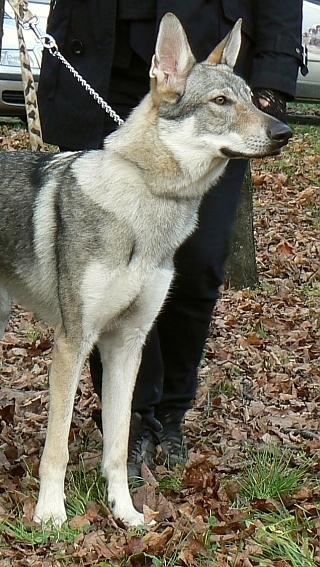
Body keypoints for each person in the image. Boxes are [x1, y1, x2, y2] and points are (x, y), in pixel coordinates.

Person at [38, 1, 304, 482]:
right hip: (102, 58)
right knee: (106, 279)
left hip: (210, 76)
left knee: (200, 263)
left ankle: (172, 413)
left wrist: (272, 79)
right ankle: (131, 422)